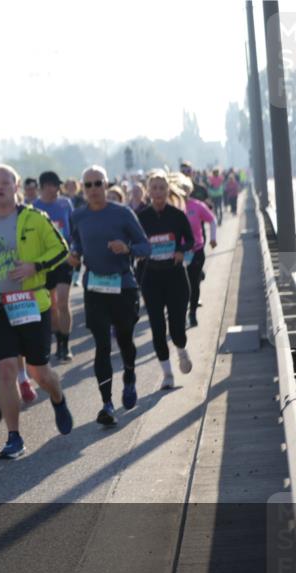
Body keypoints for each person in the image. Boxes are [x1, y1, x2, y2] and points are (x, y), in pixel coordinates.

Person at [0, 165, 74, 458]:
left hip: (32, 304)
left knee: (39, 372)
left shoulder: (35, 218)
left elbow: (62, 250)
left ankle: (58, 398)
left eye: (5, 182)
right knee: (7, 369)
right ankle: (14, 436)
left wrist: (35, 266)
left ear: (16, 186)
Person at [70, 166, 151, 426]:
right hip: (94, 289)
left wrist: (126, 247)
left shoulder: (123, 213)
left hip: (123, 287)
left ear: (106, 185)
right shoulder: (78, 216)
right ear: (83, 189)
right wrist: (74, 256)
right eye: (88, 185)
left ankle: (129, 377)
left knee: (125, 339)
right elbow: (76, 246)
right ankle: (106, 403)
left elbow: (146, 247)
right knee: (102, 345)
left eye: (98, 183)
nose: (93, 189)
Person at [136, 170, 195, 390]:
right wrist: (138, 251)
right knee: (157, 327)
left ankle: (181, 349)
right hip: (152, 276)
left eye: (162, 188)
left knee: (177, 325)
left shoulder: (177, 215)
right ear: (148, 191)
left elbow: (191, 240)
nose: (158, 192)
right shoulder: (141, 217)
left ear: (167, 190)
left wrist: (180, 250)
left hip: (176, 276)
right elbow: (133, 241)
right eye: (154, 188)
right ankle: (167, 374)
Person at [32, 171, 75, 362]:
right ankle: (58, 340)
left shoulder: (66, 203)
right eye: (52, 185)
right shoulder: (34, 208)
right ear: (43, 187)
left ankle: (65, 345)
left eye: (57, 185)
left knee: (63, 301)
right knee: (51, 306)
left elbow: (73, 229)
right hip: (44, 263)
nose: (56, 189)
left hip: (64, 260)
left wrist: (75, 251)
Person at [180, 177, 217, 328]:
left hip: (196, 250)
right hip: (178, 254)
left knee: (194, 284)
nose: (182, 192)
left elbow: (212, 220)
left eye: (185, 189)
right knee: (182, 286)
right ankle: (180, 315)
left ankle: (192, 313)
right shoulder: (172, 207)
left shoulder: (196, 206)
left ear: (189, 190)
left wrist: (213, 238)